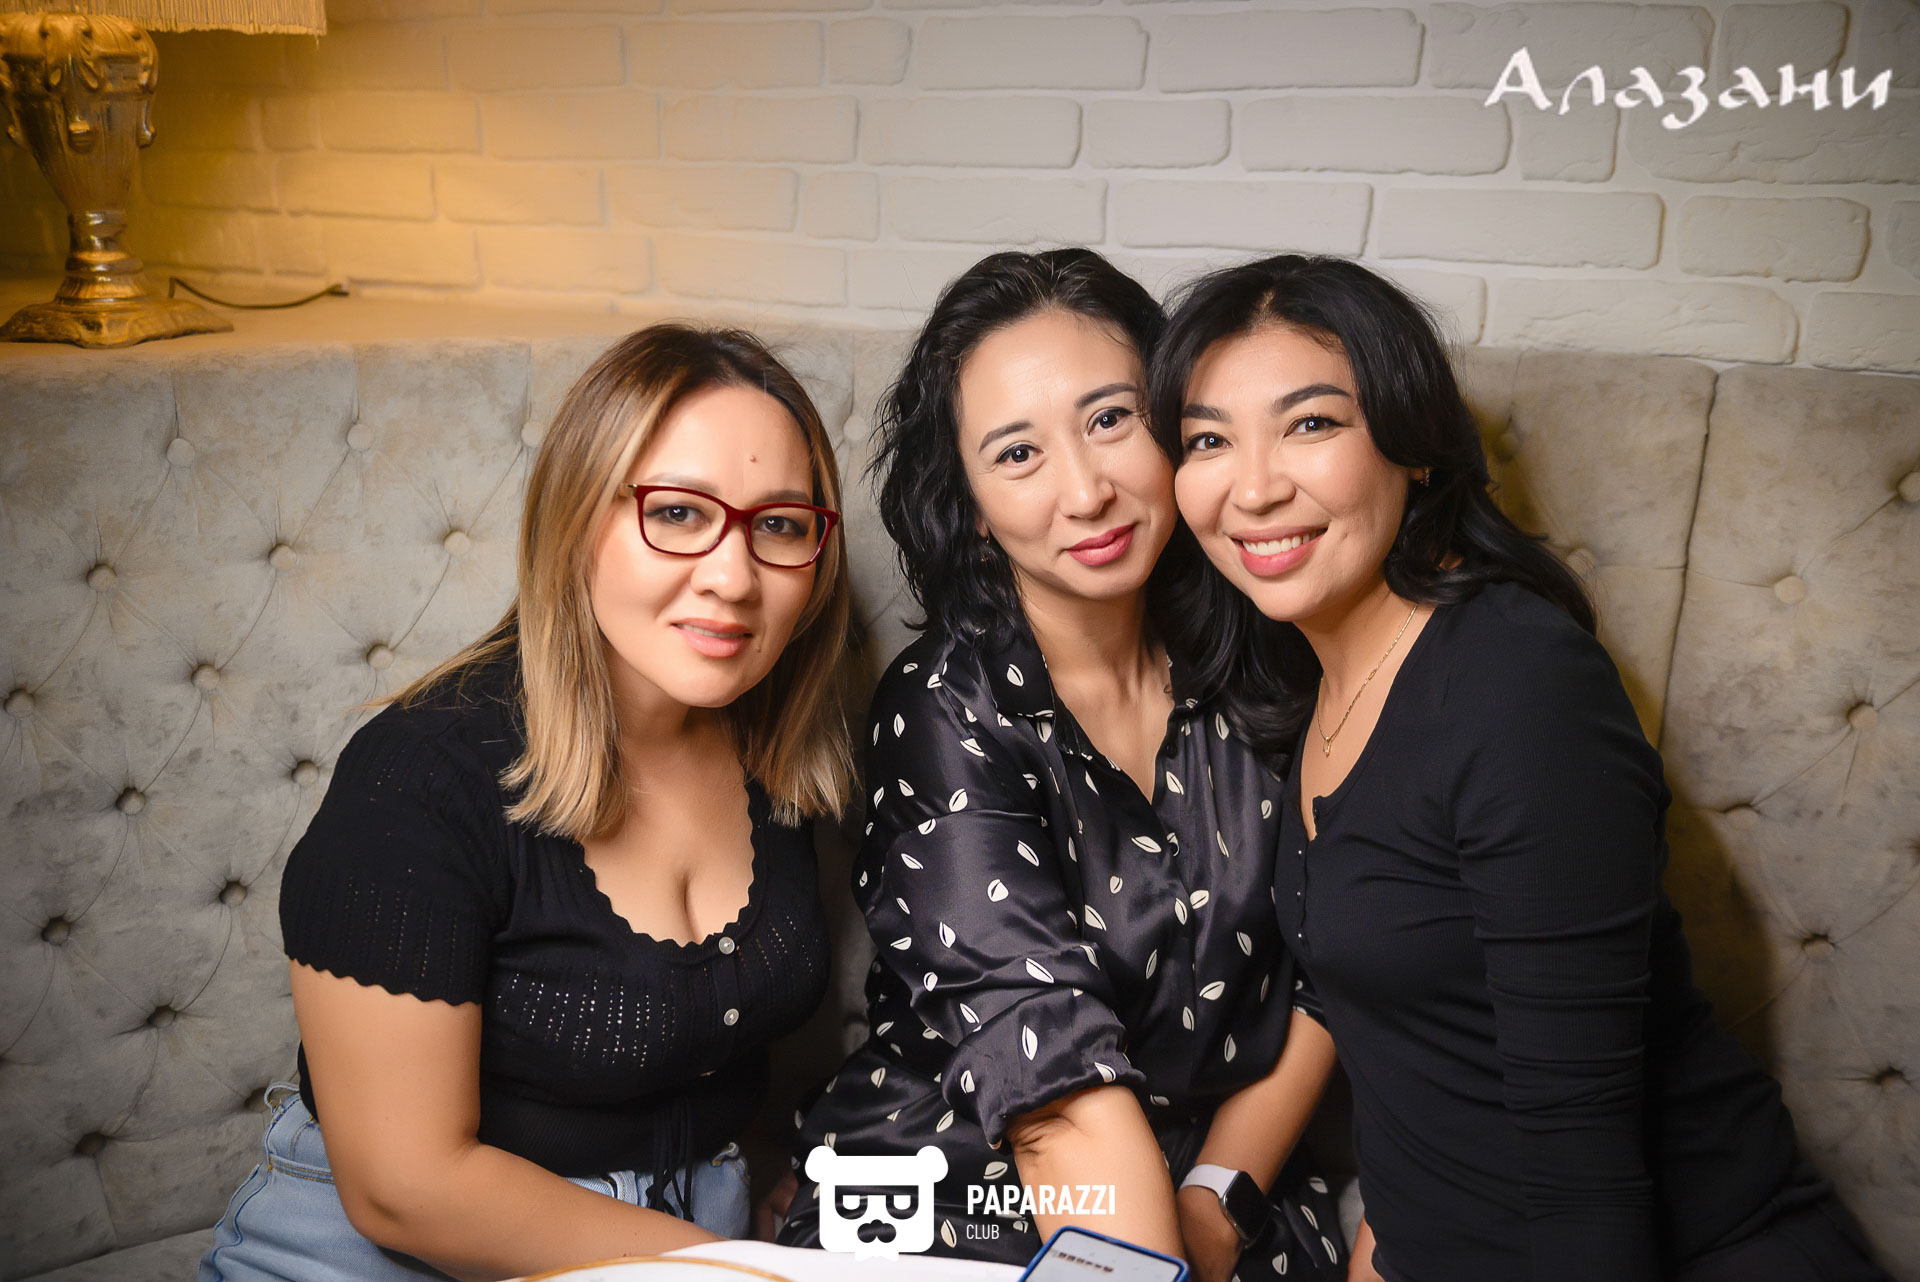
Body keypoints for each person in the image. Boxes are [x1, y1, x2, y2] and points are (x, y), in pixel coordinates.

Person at [1153, 253, 1893, 1282]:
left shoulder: (1521, 688)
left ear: (1414, 448)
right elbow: (1418, 1056)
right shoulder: (1313, 676)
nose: (1255, 486)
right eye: (1208, 440)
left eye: (1310, 424)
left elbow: (1581, 1174)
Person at [198, 325, 855, 1282]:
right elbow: (405, 1188)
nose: (732, 576)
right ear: (576, 517)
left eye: (781, 525)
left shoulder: (778, 754)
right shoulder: (419, 776)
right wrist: (750, 1271)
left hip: (686, 1246)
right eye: (677, 513)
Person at [777, 249, 1349, 1282]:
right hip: (964, 1187)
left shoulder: (1273, 644)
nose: (1086, 492)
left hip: (1224, 1178)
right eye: (1017, 453)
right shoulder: (943, 707)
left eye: (1111, 419)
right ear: (968, 500)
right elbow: (1053, 1098)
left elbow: (1335, 972)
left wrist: (1215, 1205)